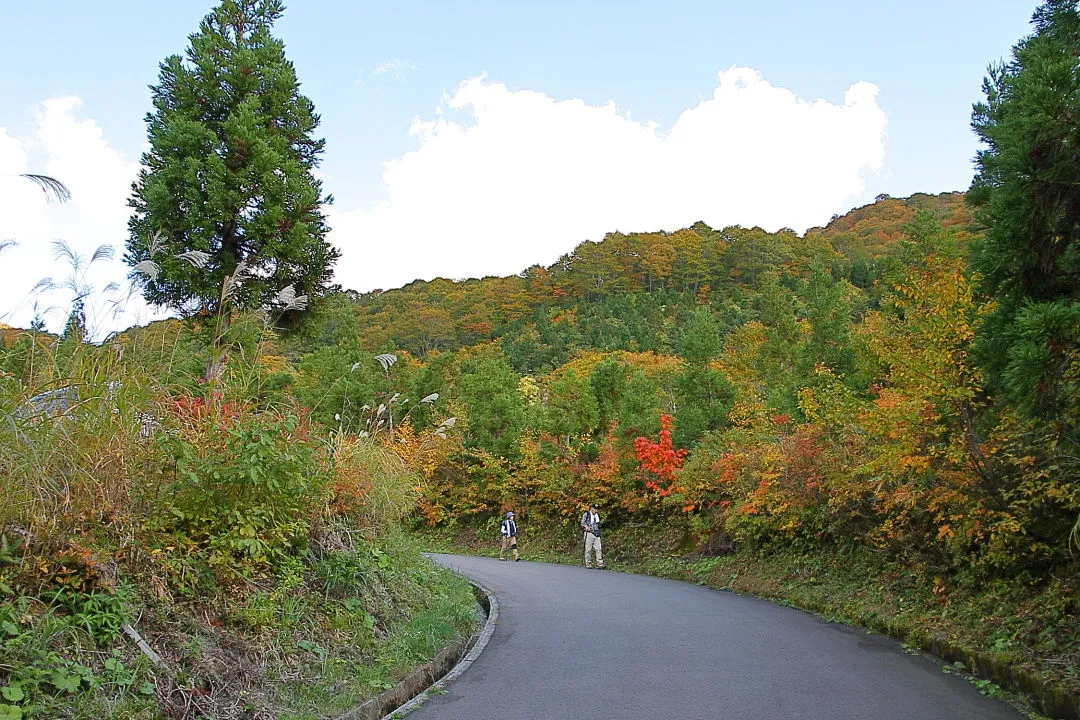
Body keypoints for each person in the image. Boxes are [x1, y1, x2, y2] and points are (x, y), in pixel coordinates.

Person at [580, 503, 604, 569]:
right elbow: (582, 523)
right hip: (589, 533)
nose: (596, 510)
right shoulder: (586, 514)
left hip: (596, 533)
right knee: (588, 549)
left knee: (599, 549)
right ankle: (588, 563)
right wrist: (586, 527)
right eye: (595, 509)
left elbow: (598, 524)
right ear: (591, 508)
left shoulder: (597, 515)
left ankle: (600, 563)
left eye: (597, 509)